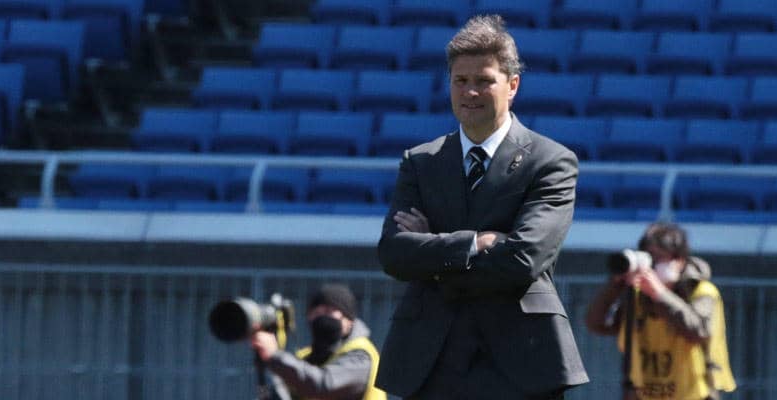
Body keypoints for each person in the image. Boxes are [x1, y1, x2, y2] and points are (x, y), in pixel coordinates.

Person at [375, 14, 589, 400]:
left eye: (483, 80)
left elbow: (524, 258)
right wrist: (475, 244)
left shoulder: (551, 160)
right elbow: (394, 254)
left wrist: (433, 254)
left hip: (521, 366)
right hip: (429, 363)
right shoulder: (420, 161)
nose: (470, 91)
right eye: (460, 81)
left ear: (512, 85)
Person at [585, 223, 736, 400]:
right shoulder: (637, 295)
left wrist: (660, 295)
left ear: (679, 260)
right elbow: (597, 324)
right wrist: (616, 285)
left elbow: (699, 331)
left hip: (693, 394)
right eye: (650, 257)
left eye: (659, 257)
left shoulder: (701, 292)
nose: (653, 265)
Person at [251, 284, 386, 400]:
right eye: (315, 313)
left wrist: (275, 356)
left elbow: (323, 385)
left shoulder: (361, 356)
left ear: (349, 320)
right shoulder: (305, 358)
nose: (321, 318)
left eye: (329, 311)